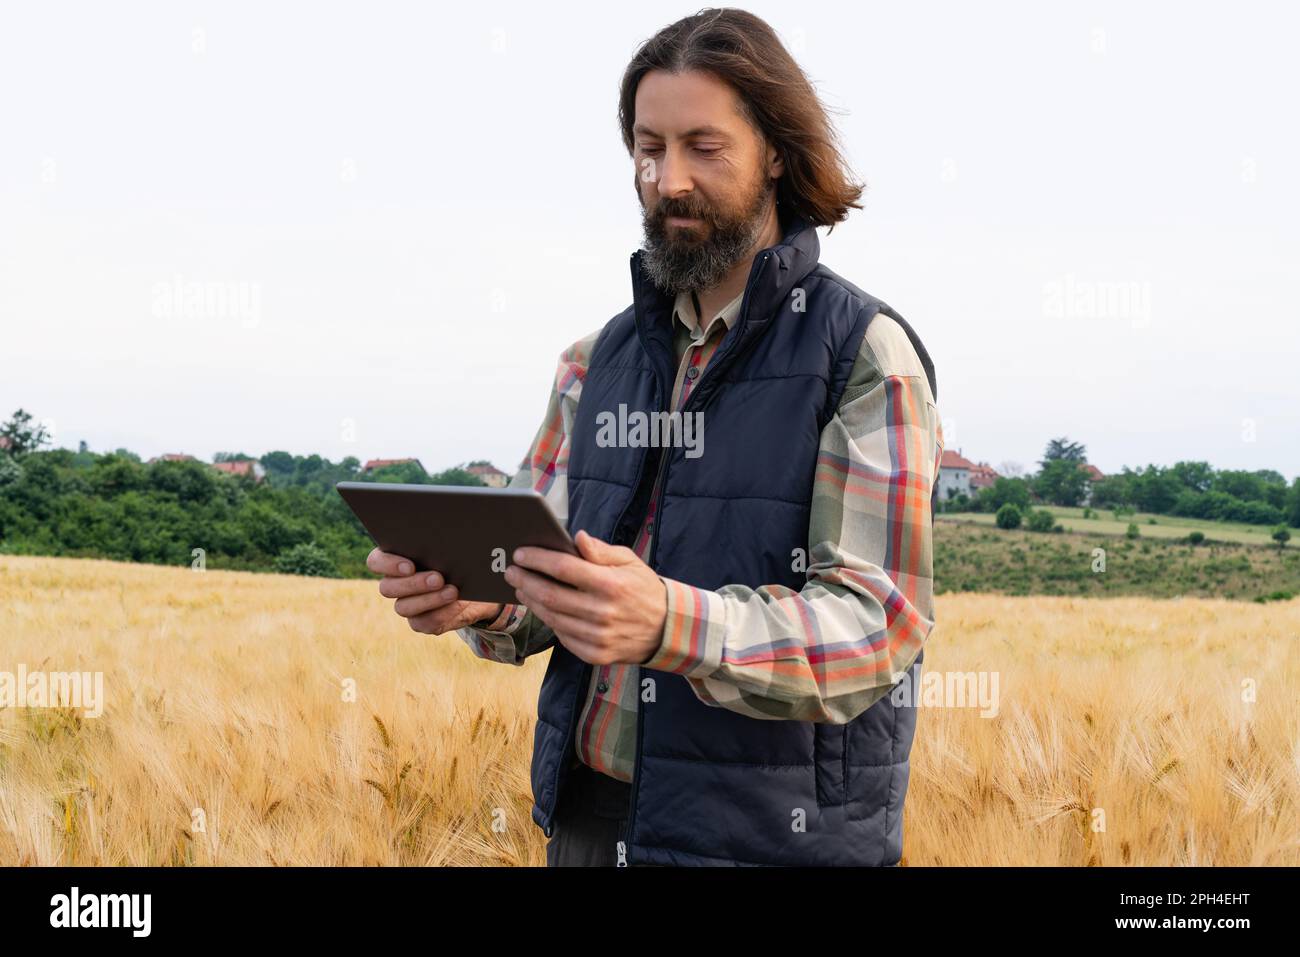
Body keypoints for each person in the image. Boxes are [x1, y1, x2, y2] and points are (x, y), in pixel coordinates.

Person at [367, 8, 943, 867]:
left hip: (771, 844)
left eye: (702, 147)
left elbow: (876, 628)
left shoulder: (862, 354)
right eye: (648, 147)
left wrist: (674, 620)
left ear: (776, 152)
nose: (667, 179)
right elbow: (544, 577)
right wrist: (481, 600)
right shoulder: (595, 361)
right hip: (591, 830)